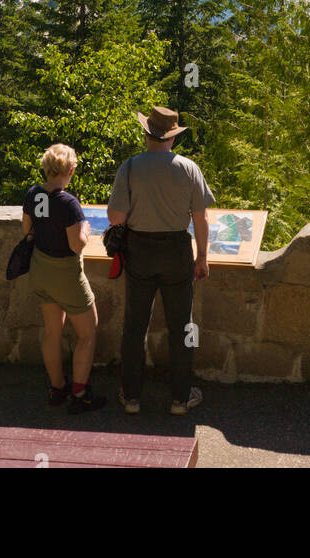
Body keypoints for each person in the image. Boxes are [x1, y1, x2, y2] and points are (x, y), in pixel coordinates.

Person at [107, 105, 215, 416]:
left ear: (146, 133)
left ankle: (131, 397)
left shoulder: (129, 168)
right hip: (177, 251)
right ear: (172, 138)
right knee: (182, 326)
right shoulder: (188, 168)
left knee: (134, 325)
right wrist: (203, 257)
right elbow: (201, 218)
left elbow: (115, 217)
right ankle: (180, 399)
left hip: (140, 250)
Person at [21, 143, 106, 414]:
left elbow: (27, 232)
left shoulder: (33, 195)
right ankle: (80, 395)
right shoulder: (69, 203)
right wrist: (87, 230)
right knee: (87, 332)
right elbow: (76, 246)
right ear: (70, 170)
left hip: (40, 271)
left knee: (53, 332)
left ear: (46, 168)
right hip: (66, 275)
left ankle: (57, 388)